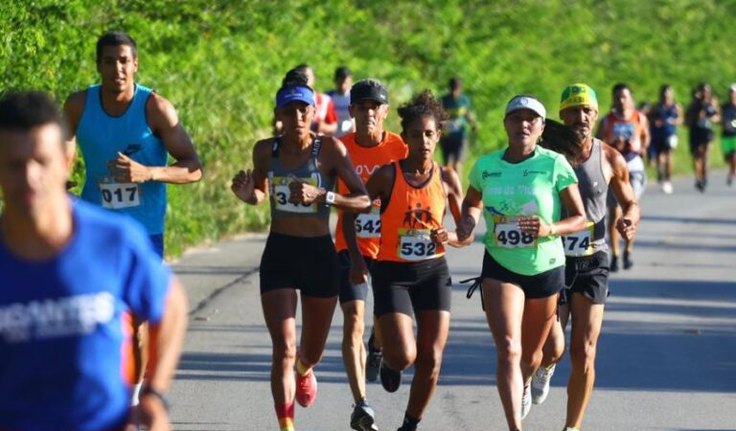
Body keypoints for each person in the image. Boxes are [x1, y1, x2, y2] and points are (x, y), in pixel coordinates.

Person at [0, 90, 188, 431]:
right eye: (14, 164)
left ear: (65, 162)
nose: (29, 177)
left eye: (41, 161)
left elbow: (171, 303)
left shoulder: (113, 240)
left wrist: (154, 396)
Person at [63, 31, 202, 407]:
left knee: (135, 320)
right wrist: (58, 183)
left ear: (135, 65)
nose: (117, 68)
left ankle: (132, 400)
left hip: (143, 232)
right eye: (109, 61)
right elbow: (58, 152)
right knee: (95, 316)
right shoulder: (78, 105)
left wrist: (149, 173)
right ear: (99, 66)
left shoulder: (155, 108)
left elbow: (194, 168)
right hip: (93, 230)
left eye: (124, 61)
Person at [230, 72, 370, 431]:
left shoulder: (331, 151)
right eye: (290, 111)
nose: (297, 118)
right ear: (279, 114)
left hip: (318, 255)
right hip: (279, 252)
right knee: (284, 347)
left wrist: (323, 195)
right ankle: (286, 425)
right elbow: (261, 191)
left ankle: (306, 370)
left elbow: (363, 200)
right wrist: (249, 196)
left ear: (313, 112)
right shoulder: (266, 150)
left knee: (311, 351)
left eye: (303, 110)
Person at [455, 95, 586, 431]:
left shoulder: (554, 164)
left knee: (531, 355)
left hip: (545, 267)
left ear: (541, 128)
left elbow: (580, 218)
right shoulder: (486, 165)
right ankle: (515, 427)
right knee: (509, 349)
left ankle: (529, 379)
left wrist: (550, 228)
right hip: (500, 264)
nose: (523, 124)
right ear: (505, 125)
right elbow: (471, 202)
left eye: (531, 119)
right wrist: (468, 222)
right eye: (516, 118)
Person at [531, 84, 641, 431]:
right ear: (561, 115)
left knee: (585, 350)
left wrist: (629, 220)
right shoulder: (544, 152)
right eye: (573, 111)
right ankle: (545, 366)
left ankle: (572, 427)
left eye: (587, 111)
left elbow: (630, 202)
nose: (581, 118)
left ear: (596, 115)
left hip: (593, 260)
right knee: (551, 345)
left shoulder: (609, 157)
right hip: (552, 258)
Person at [363, 90, 463, 431]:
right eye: (416, 134)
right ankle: (379, 343)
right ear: (405, 137)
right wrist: (358, 254)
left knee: (432, 357)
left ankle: (410, 425)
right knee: (404, 356)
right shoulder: (386, 175)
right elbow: (354, 209)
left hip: (433, 271)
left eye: (430, 134)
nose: (423, 140)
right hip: (392, 272)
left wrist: (448, 237)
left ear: (438, 137)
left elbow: (465, 232)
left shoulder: (448, 179)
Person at [333, 78, 407, 431]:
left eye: (374, 107)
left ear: (385, 112)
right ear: (352, 112)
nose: (368, 114)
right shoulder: (338, 149)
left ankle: (377, 347)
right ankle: (361, 404)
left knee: (385, 322)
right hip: (350, 244)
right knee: (353, 320)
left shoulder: (400, 148)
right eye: (361, 108)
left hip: (392, 246)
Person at [596, 83, 649, 271]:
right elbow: (598, 143)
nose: (621, 100)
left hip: (633, 167)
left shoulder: (639, 117)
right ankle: (616, 254)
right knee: (613, 213)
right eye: (617, 96)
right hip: (613, 169)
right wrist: (613, 143)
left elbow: (645, 138)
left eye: (624, 96)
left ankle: (629, 249)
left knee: (629, 210)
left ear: (631, 98)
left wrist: (639, 147)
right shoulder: (607, 120)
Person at [685, 82, 720, 192]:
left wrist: (712, 118)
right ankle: (698, 178)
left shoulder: (712, 102)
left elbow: (718, 116)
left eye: (707, 91)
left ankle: (705, 177)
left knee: (706, 154)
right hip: (696, 131)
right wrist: (696, 116)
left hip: (707, 131)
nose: (705, 93)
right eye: (703, 91)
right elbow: (687, 119)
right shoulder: (694, 104)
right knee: (697, 156)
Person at [648, 84, 683, 194]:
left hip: (670, 134)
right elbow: (649, 117)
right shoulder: (656, 106)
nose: (666, 97)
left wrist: (674, 121)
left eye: (668, 95)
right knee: (660, 157)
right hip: (658, 134)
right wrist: (655, 122)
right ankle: (661, 173)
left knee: (669, 154)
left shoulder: (676, 106)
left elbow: (681, 119)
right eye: (664, 95)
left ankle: (668, 178)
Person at [439, 77, 477, 175]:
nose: (454, 92)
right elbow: (438, 117)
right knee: (447, 165)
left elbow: (468, 114)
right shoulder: (443, 101)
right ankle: (447, 188)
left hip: (460, 137)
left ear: (460, 88)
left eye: (456, 89)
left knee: (457, 164)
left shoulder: (464, 100)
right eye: (452, 89)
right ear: (449, 88)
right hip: (446, 137)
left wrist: (473, 124)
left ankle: (458, 189)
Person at [326, 65, 355, 137]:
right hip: (333, 136)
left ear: (350, 81)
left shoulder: (354, 97)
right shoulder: (328, 97)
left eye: (345, 82)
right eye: (340, 82)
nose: (343, 85)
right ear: (335, 81)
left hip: (350, 135)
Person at [720, 84, 736, 186]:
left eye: (734, 92)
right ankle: (732, 169)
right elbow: (719, 117)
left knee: (734, 156)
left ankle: (732, 173)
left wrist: (733, 124)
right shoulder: (724, 106)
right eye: (731, 92)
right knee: (728, 158)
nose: (732, 94)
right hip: (726, 134)